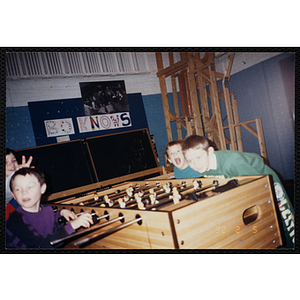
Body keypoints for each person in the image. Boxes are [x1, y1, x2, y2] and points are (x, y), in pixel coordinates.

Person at [181, 135, 295, 248]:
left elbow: (257, 184)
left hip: (266, 180)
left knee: (284, 221)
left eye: (198, 158)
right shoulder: (203, 166)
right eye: (190, 160)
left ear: (210, 152)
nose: (195, 164)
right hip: (243, 182)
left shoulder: (231, 162)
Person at [6, 168, 94, 248]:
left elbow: (52, 228)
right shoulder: (15, 221)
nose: (24, 192)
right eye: (18, 189)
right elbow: (41, 246)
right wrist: (73, 225)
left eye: (30, 187)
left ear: (42, 188)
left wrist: (60, 214)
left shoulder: (48, 209)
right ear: (13, 195)